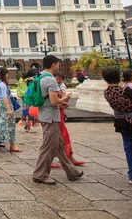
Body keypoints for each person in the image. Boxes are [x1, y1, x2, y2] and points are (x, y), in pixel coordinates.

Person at [32, 55, 82, 185]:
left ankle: (72, 171)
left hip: (45, 114)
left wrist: (60, 102)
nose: (58, 66)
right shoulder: (50, 80)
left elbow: (49, 99)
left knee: (59, 146)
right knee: (49, 146)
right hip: (50, 117)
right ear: (53, 64)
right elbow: (54, 101)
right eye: (58, 64)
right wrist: (64, 98)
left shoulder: (39, 77)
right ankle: (40, 174)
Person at [51, 73, 86, 168]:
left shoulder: (55, 85)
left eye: (59, 79)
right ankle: (67, 158)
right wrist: (63, 100)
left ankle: (68, 157)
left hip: (58, 112)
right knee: (59, 136)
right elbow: (53, 100)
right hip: (54, 113)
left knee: (57, 137)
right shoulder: (50, 84)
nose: (58, 80)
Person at [0, 67, 22, 152]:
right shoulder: (2, 84)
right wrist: (9, 109)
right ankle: (11, 144)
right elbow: (4, 97)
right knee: (10, 125)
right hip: (5, 104)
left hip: (1, 104)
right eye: (7, 73)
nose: (7, 75)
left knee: (1, 122)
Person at [18, 69, 39, 133]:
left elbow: (19, 89)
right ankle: (29, 126)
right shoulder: (31, 81)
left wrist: (21, 95)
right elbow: (30, 90)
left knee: (26, 113)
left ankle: (27, 125)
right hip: (30, 99)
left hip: (24, 98)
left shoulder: (21, 81)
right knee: (30, 113)